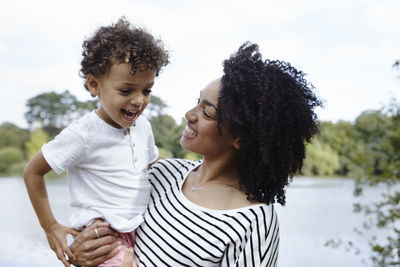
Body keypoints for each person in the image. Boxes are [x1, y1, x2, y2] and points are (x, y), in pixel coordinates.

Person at [69, 42, 322, 267]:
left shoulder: (252, 222)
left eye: (207, 112)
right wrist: (81, 255)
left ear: (240, 138)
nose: (190, 114)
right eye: (197, 102)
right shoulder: (159, 175)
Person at [23, 17, 169, 267]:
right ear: (94, 85)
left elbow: (153, 162)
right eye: (126, 91)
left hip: (138, 231)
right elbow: (32, 172)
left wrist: (197, 170)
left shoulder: (142, 126)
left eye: (146, 90)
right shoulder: (83, 134)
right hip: (103, 238)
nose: (139, 101)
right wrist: (51, 227)